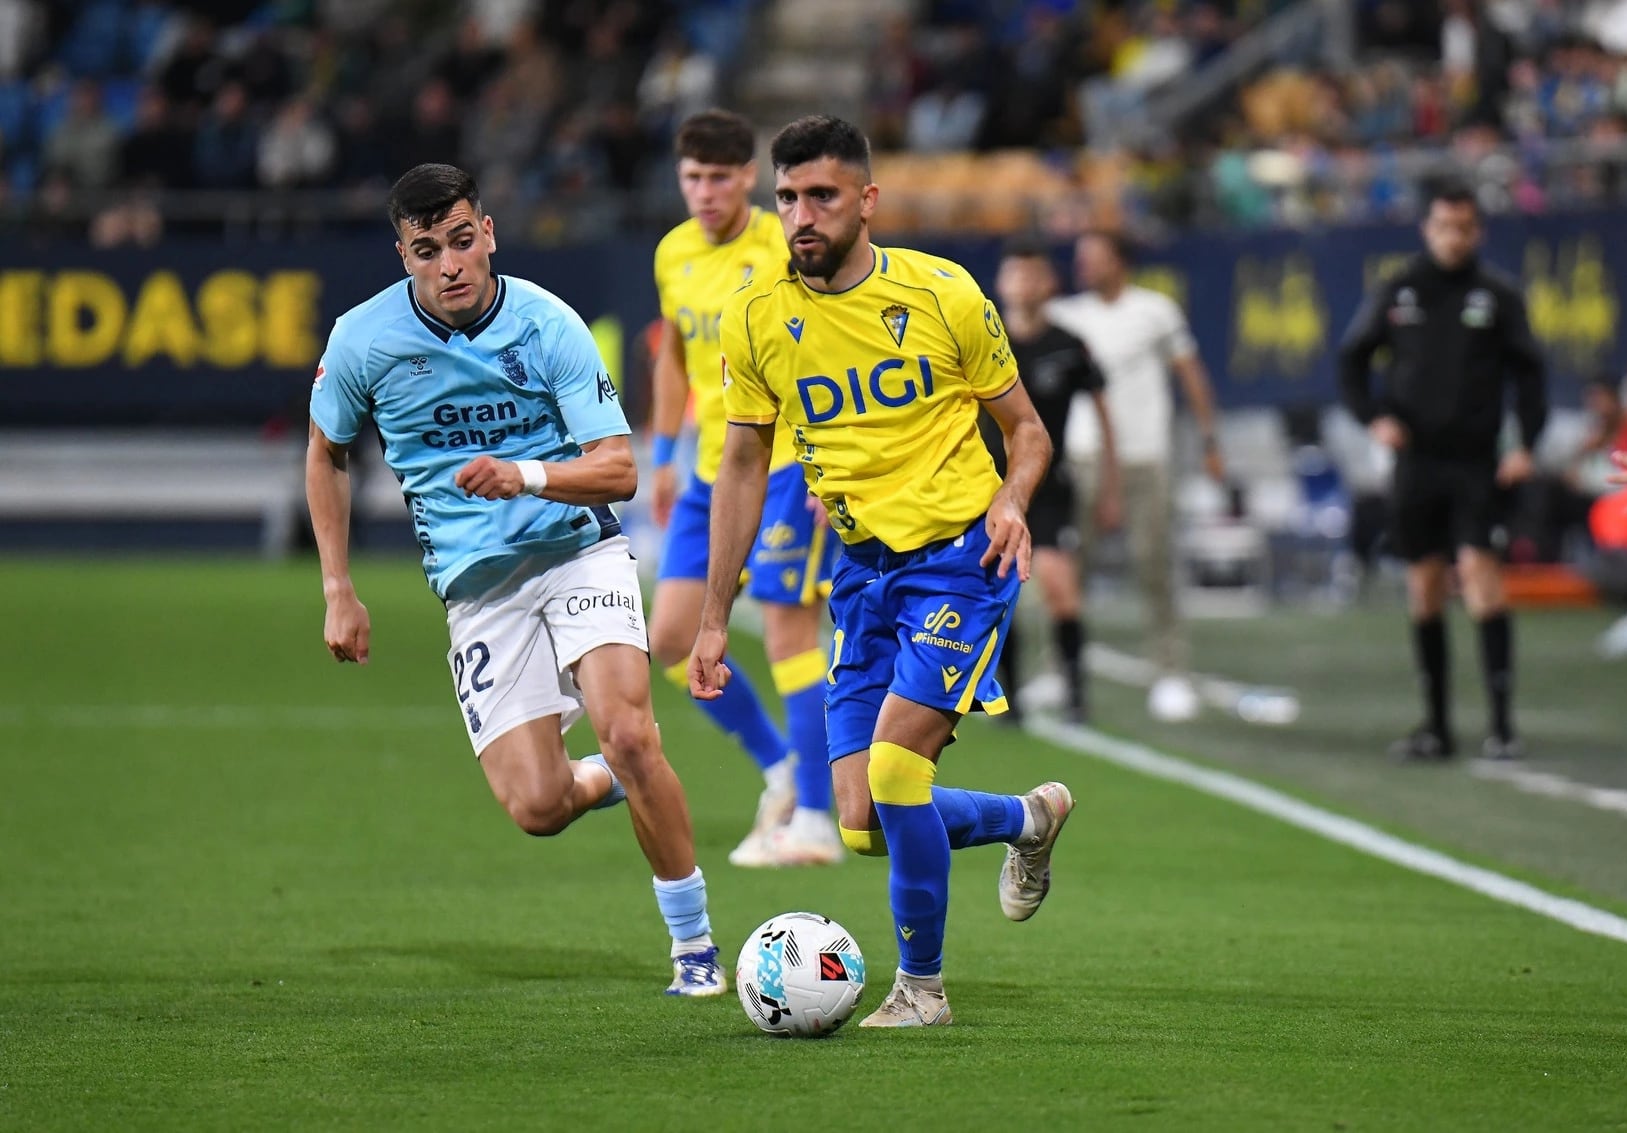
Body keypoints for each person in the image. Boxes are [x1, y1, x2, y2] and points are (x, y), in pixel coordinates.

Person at [686, 116, 1075, 1028]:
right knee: (862, 819)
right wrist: (713, 618)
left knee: (899, 773)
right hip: (859, 577)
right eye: (786, 198)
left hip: (962, 563)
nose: (800, 216)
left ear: (867, 201)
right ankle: (1027, 818)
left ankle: (922, 989)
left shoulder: (943, 294)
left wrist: (1012, 499)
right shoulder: (758, 317)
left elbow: (1027, 430)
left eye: (821, 195)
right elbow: (741, 467)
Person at [305, 163, 727, 997]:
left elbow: (616, 469)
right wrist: (337, 588)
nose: (450, 264)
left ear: (488, 232)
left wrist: (527, 475)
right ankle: (605, 776)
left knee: (634, 732)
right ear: (403, 255)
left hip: (577, 549)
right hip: (478, 589)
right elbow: (327, 451)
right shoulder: (363, 339)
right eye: (427, 250)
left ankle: (695, 945)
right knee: (538, 806)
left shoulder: (547, 323)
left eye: (462, 241)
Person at [648, 110, 841, 868]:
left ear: (748, 178)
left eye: (718, 177)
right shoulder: (673, 253)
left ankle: (818, 821)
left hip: (788, 461)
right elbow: (672, 355)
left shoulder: (782, 248)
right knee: (667, 638)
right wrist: (662, 452)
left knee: (792, 634)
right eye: (691, 177)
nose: (703, 192)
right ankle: (782, 769)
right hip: (707, 471)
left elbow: (827, 354)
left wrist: (833, 462)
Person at [1338, 181, 1547, 762]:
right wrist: (1374, 417)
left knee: (1482, 577)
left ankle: (1502, 725)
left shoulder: (1497, 295)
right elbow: (1352, 360)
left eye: (1464, 228)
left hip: (1477, 462)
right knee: (1425, 584)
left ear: (1476, 231)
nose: (1454, 238)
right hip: (1417, 462)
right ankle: (1435, 726)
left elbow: (1530, 374)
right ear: (1427, 229)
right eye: (1444, 227)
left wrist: (1526, 442)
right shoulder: (1400, 289)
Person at [1045, 229, 1225, 722]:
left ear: (1119, 261)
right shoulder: (1065, 317)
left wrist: (1210, 439)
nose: (1083, 266)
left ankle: (1170, 673)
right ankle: (1060, 669)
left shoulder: (1155, 311)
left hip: (1145, 454)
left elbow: (1191, 374)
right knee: (1065, 569)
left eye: (1095, 256)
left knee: (1155, 563)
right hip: (1083, 455)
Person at [976, 237, 1119, 723]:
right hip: (991, 488)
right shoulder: (982, 339)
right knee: (997, 592)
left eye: (1033, 274)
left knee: (1059, 586)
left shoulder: (1067, 345)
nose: (1024, 285)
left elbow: (1103, 410)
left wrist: (1111, 482)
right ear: (1001, 283)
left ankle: (1076, 693)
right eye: (1015, 274)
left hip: (1050, 485)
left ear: (1050, 283)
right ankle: (1007, 699)